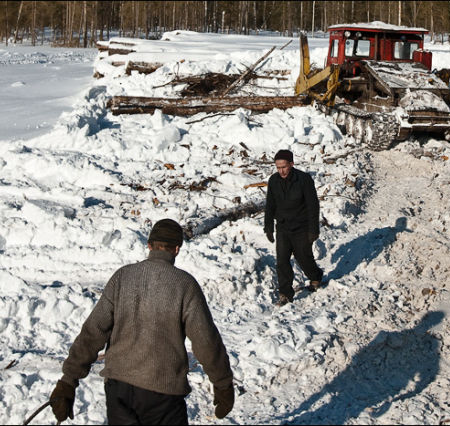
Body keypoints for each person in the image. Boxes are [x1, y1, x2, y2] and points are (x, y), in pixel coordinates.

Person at [49, 218, 234, 424]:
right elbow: (205, 340)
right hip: (163, 395)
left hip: (119, 390)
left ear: (149, 246)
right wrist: (223, 383)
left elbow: (93, 331)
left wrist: (68, 381)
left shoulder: (122, 277)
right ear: (177, 249)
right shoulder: (185, 285)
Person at [264, 149, 324, 306]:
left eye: (284, 167)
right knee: (282, 261)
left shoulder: (303, 179)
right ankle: (285, 294)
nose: (281, 171)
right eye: (278, 167)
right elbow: (270, 204)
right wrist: (268, 226)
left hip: (301, 227)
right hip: (283, 227)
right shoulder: (274, 181)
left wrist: (313, 229)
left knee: (303, 257)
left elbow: (313, 205)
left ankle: (316, 276)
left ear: (291, 164)